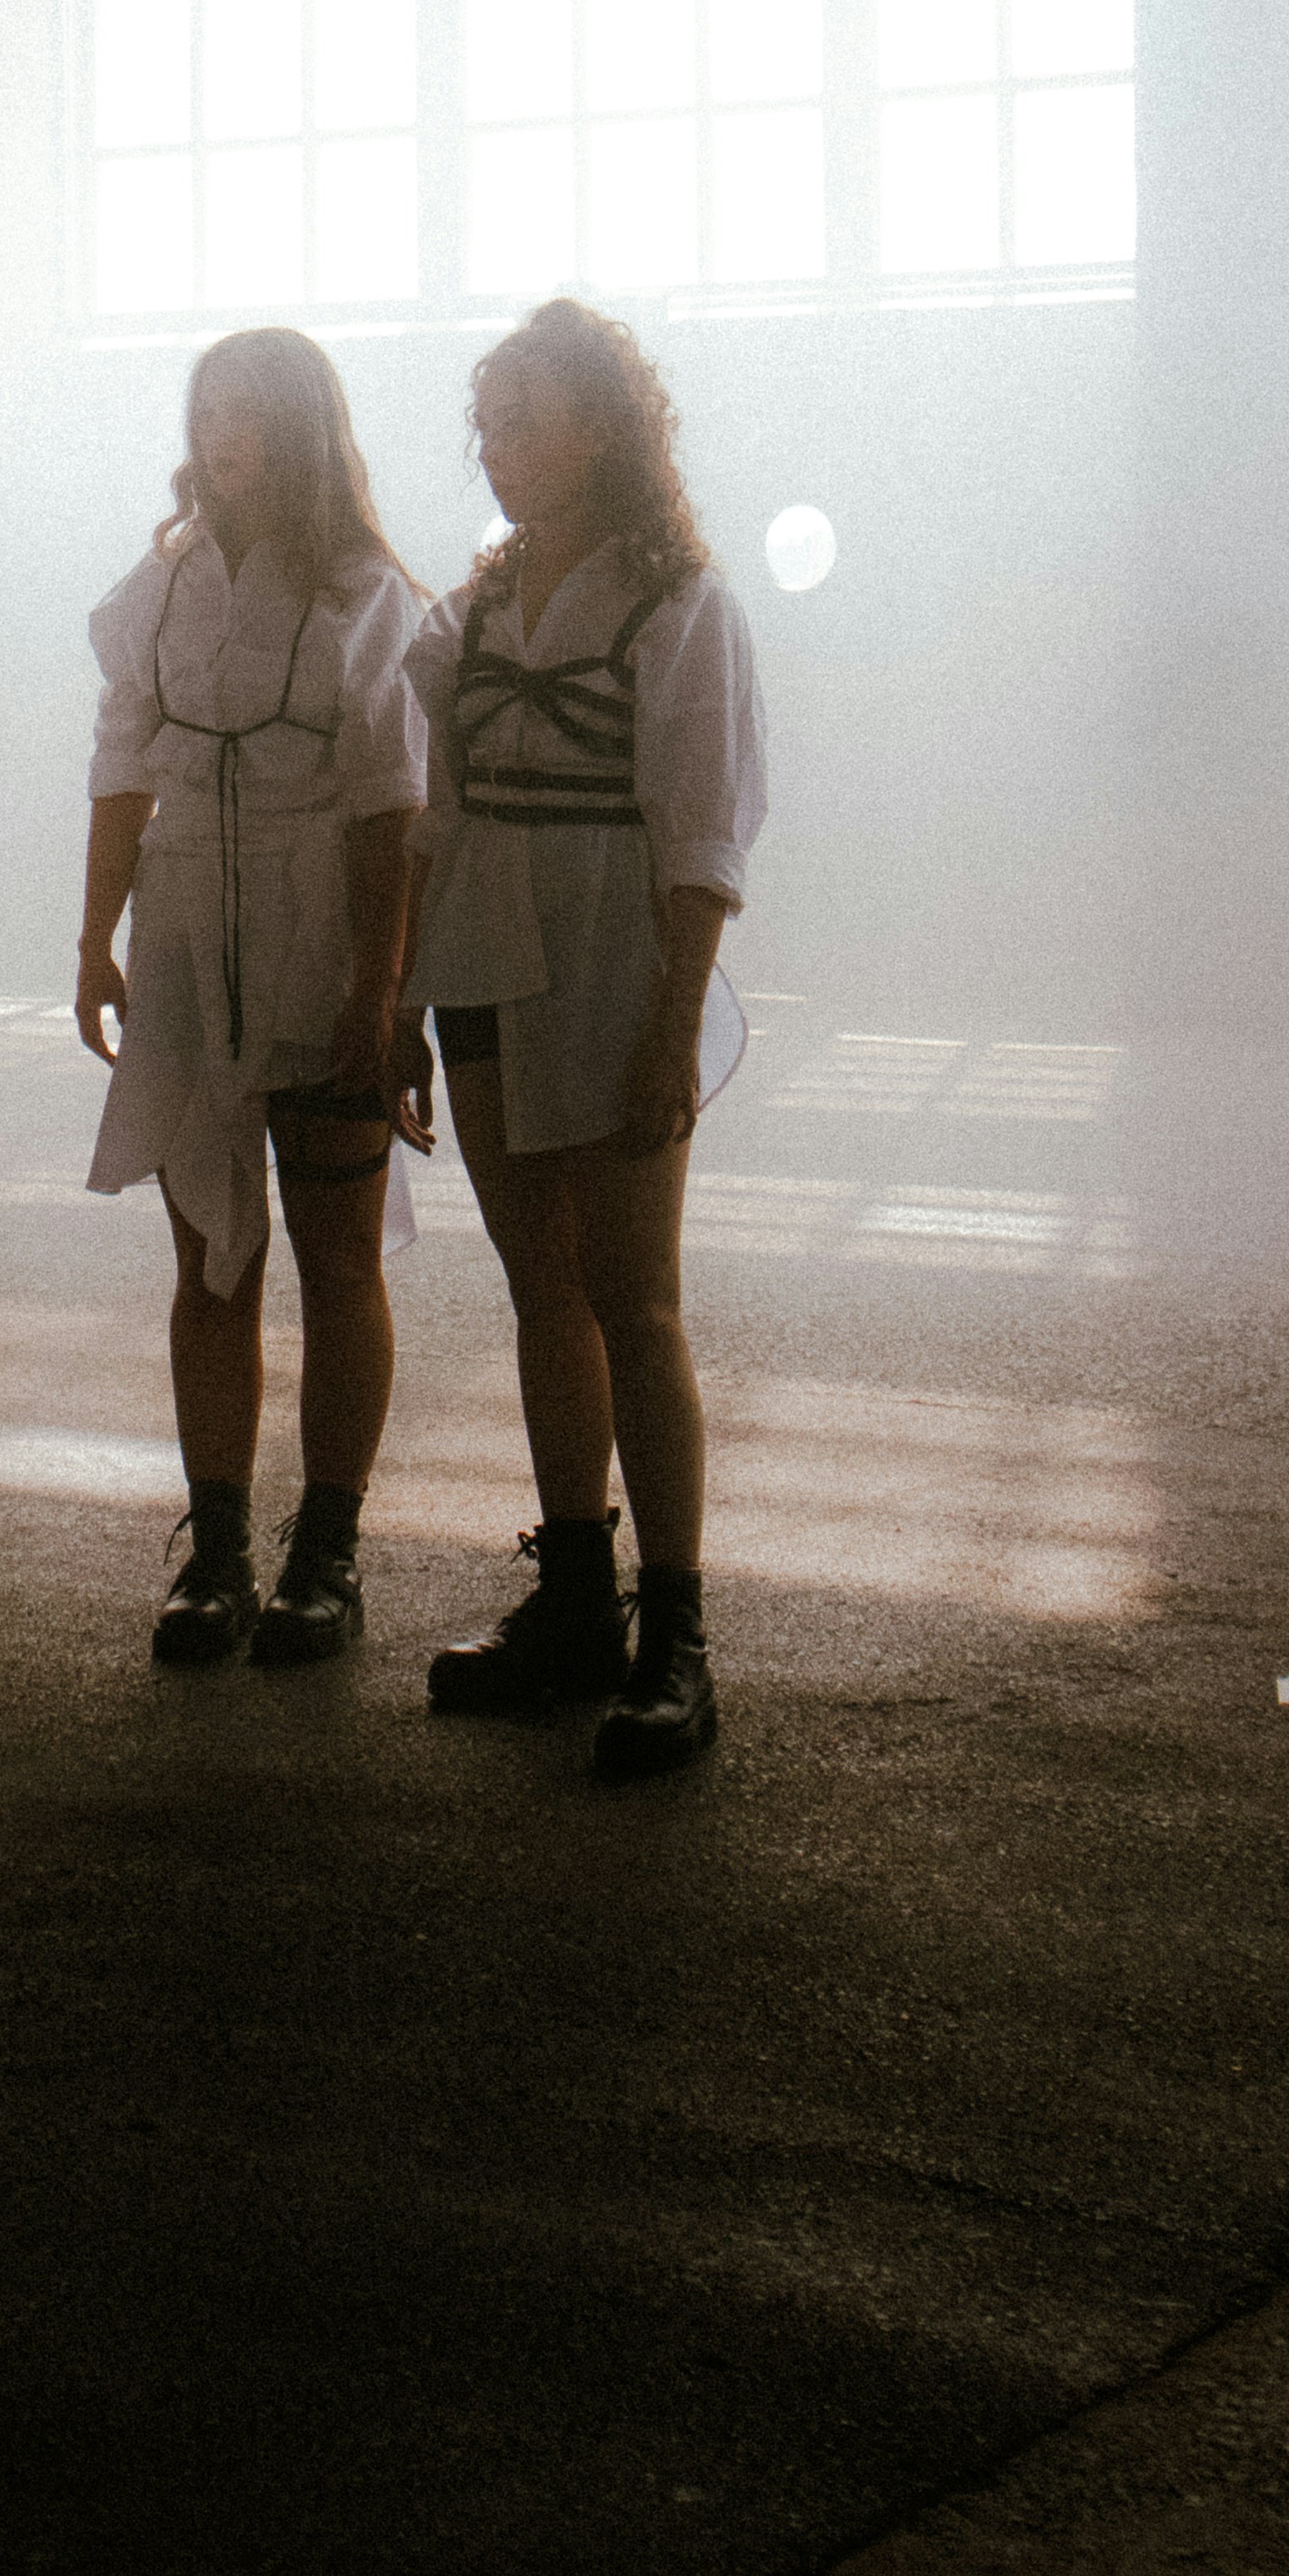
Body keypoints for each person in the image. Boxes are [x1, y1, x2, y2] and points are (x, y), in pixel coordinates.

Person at [405, 297, 766, 1780]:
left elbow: (701, 828)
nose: (495, 448)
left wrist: (669, 1027)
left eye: (523, 417)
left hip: (616, 951)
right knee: (537, 1288)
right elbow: (427, 809)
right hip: (483, 951)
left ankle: (673, 1632)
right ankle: (573, 1595)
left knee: (635, 1298)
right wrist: (392, 1003)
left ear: (604, 428)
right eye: (484, 420)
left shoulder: (677, 595)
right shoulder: (473, 606)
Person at [76, 329, 427, 1673]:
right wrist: (93, 934)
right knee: (207, 1258)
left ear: (302, 432)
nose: (225, 439)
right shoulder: (157, 589)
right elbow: (122, 760)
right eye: (206, 414)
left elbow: (391, 804)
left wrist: (379, 986)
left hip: (319, 935)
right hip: (181, 932)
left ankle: (323, 1556)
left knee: (335, 1258)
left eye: (250, 417)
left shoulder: (360, 591)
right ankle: (215, 1553)